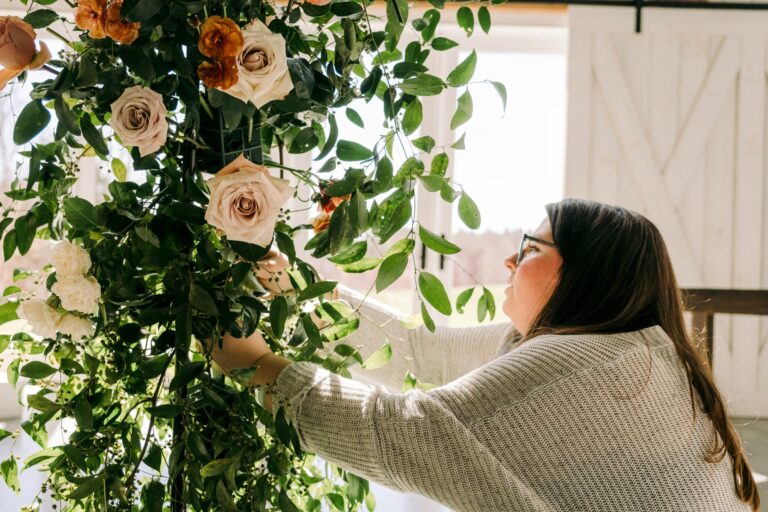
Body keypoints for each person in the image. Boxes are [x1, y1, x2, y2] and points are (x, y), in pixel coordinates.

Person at [208, 198, 761, 511]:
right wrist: (293, 290)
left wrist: (253, 364)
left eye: (530, 249)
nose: (509, 262)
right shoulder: (624, 348)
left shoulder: (582, 367)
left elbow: (401, 433)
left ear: (583, 274)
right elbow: (416, 351)